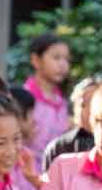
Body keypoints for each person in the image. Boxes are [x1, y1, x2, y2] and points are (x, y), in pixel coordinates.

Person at [22, 33, 72, 164]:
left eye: (67, 59)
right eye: (56, 57)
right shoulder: (23, 98)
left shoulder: (62, 103)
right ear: (36, 60)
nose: (63, 64)